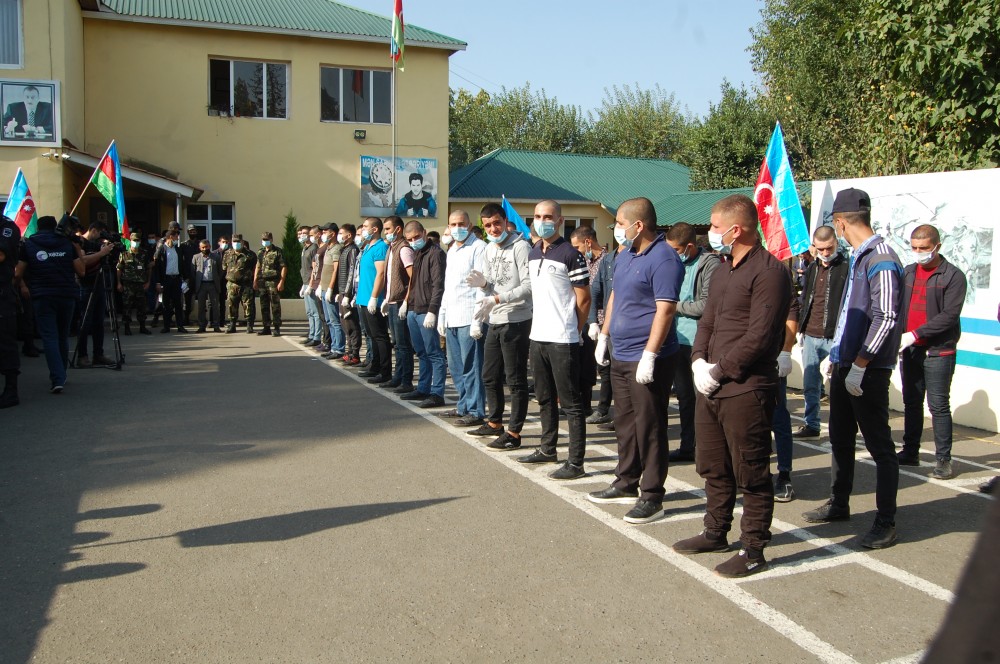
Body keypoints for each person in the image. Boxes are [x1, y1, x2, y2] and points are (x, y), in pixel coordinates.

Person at [672, 194, 791, 578]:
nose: (712, 233)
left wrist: (719, 371)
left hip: (746, 387)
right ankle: (715, 531)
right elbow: (707, 320)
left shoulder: (770, 272)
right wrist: (698, 362)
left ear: (736, 230)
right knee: (713, 466)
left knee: (751, 472)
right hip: (711, 385)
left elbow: (760, 336)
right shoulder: (722, 269)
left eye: (716, 227)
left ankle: (754, 549)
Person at [802, 188, 904, 550]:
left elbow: (887, 316)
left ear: (841, 223)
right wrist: (841, 357)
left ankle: (885, 521)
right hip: (847, 365)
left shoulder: (882, 258)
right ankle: (839, 502)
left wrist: (861, 362)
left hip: (869, 371)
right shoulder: (861, 257)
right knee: (840, 438)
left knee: (879, 446)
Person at [591, 197, 683, 524]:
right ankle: (626, 480)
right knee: (625, 421)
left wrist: (650, 354)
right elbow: (615, 294)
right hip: (621, 352)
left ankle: (653, 495)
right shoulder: (626, 254)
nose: (616, 228)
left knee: (651, 425)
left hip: (648, 357)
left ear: (638, 225)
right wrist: (604, 335)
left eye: (618, 222)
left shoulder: (664, 258)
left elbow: (666, 308)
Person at [517, 200, 591, 480]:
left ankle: (576, 462)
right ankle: (548, 448)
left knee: (571, 403)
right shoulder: (535, 252)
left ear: (560, 220)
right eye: (537, 216)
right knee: (544, 397)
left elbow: (584, 299)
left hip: (563, 339)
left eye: (548, 216)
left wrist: (575, 329)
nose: (542, 220)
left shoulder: (571, 254)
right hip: (538, 336)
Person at [896, 224, 967, 480]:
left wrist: (916, 333)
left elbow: (949, 316)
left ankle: (943, 460)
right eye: (914, 247)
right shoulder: (908, 272)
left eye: (923, 248)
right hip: (911, 350)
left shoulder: (953, 276)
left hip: (939, 351)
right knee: (911, 402)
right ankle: (910, 451)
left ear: (937, 246)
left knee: (938, 405)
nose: (918, 252)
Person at [465, 202, 532, 450]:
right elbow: (492, 285)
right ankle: (495, 422)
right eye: (488, 226)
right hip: (495, 317)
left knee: (515, 380)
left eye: (496, 223)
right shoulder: (490, 250)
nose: (493, 229)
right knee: (489, 375)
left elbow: (528, 287)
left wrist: (496, 298)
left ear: (505, 221)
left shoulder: (521, 247)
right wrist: (484, 286)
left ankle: (514, 433)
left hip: (516, 319)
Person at [664, 222, 721, 462]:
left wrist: (673, 306)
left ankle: (708, 450)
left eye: (676, 250)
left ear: (689, 246)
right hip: (677, 339)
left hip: (700, 342)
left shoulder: (711, 265)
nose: (672, 254)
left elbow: (707, 305)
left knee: (703, 398)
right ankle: (688, 446)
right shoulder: (671, 263)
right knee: (685, 397)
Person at [15, 215, 85, 393]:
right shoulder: (66, 243)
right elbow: (81, 271)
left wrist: (23, 286)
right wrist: (77, 251)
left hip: (42, 296)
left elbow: (18, 273)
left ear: (38, 228)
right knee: (63, 335)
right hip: (66, 294)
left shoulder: (28, 245)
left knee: (49, 337)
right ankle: (62, 373)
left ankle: (57, 377)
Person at [796, 226, 849, 438]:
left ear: (836, 243)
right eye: (821, 249)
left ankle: (841, 428)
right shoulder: (812, 268)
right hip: (810, 334)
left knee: (839, 387)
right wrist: (801, 327)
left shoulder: (847, 268)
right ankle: (812, 424)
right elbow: (805, 298)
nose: (825, 253)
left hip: (835, 337)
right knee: (810, 385)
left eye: (829, 248)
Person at [438, 210, 488, 427]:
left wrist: (478, 319)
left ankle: (476, 410)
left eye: (461, 224)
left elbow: (480, 286)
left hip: (469, 315)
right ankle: (463, 405)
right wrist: (442, 313)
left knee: (472, 366)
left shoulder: (478, 248)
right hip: (452, 316)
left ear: (469, 225)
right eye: (452, 224)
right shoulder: (452, 250)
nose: (457, 228)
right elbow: (449, 286)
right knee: (457, 366)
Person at [401, 220, 448, 408]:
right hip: (414, 308)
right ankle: (423, 387)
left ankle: (437, 392)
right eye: (409, 239)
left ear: (424, 233)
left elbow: (438, 284)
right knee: (421, 352)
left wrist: (432, 310)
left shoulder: (436, 254)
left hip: (427, 310)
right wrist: (406, 302)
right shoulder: (418, 253)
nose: (413, 241)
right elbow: (413, 282)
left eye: (416, 237)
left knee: (434, 353)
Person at [570, 226, 602, 418]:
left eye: (577, 246)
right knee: (578, 362)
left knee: (590, 365)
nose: (575, 251)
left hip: (596, 320)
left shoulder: (605, 260)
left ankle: (588, 405)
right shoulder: (580, 260)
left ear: (588, 242)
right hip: (579, 315)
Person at [355, 217, 392, 383]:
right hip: (363, 298)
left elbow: (381, 273)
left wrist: (374, 297)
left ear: (375, 229)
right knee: (371, 335)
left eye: (365, 227)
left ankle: (385, 372)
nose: (363, 230)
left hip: (373, 300)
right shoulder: (367, 247)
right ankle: (374, 366)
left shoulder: (380, 247)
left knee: (380, 336)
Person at [76, 221, 117, 366]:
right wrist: (101, 253)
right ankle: (82, 355)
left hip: (99, 284)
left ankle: (98, 354)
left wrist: (107, 251)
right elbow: (83, 261)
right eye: (100, 233)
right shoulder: (80, 242)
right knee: (85, 322)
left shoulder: (96, 244)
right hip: (86, 285)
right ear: (93, 230)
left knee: (99, 322)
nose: (100, 237)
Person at [381, 215, 414, 391]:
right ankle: (398, 376)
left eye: (387, 229)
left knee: (403, 344)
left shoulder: (404, 249)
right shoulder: (392, 248)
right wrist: (387, 298)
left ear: (398, 229)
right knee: (397, 343)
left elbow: (412, 277)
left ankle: (406, 381)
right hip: (393, 301)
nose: (385, 233)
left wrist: (406, 301)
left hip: (401, 301)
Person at [0, 215, 21, 407]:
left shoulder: (7, 228)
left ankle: (11, 390)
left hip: (2, 295)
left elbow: (2, 253)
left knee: (5, 344)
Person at [116, 232, 152, 335]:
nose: (136, 242)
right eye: (134, 240)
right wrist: (118, 283)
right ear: (130, 241)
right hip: (128, 285)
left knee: (142, 306)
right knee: (127, 307)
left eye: (138, 240)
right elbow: (119, 269)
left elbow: (149, 268)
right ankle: (127, 327)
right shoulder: (124, 254)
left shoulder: (144, 254)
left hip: (141, 284)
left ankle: (143, 327)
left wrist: (148, 282)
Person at [336, 224, 362, 364]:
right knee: (345, 324)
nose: (339, 235)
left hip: (348, 293)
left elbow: (352, 272)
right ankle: (349, 351)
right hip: (341, 292)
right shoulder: (344, 249)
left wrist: (347, 294)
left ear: (349, 235)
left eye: (341, 233)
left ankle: (355, 354)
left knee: (351, 324)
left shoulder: (352, 250)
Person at [154, 229, 189, 333]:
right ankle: (166, 326)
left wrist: (184, 278)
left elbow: (182, 265)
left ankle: (180, 326)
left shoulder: (178, 250)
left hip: (176, 279)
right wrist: (158, 282)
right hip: (166, 280)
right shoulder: (161, 249)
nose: (177, 239)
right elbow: (157, 267)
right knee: (166, 304)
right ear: (170, 237)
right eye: (176, 237)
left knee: (178, 304)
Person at [319, 223, 345, 360]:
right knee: (329, 320)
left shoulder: (336, 249)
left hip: (330, 290)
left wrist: (330, 287)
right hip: (323, 288)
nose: (323, 233)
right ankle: (333, 346)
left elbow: (336, 269)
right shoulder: (328, 248)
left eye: (325, 231)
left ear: (333, 233)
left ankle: (339, 348)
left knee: (335, 321)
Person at [253, 231, 286, 336]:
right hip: (262, 281)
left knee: (275, 305)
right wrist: (255, 280)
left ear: (271, 240)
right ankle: (266, 327)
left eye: (267, 239)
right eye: (263, 239)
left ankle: (276, 327)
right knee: (264, 305)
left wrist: (281, 281)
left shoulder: (277, 251)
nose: (265, 241)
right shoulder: (260, 252)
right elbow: (258, 266)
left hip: (273, 281)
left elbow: (283, 267)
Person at [222, 234, 256, 334]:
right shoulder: (227, 254)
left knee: (248, 305)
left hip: (246, 284)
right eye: (234, 241)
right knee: (232, 305)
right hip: (232, 284)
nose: (236, 244)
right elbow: (224, 267)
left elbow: (255, 268)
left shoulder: (250, 254)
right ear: (232, 242)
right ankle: (232, 325)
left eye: (238, 242)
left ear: (242, 242)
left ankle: (249, 325)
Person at [192, 239, 223, 332]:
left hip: (213, 284)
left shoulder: (216, 257)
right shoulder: (196, 257)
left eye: (207, 247)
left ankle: (216, 325)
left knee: (214, 306)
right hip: (201, 285)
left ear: (210, 247)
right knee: (201, 306)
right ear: (200, 248)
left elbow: (220, 271)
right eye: (203, 247)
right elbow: (193, 271)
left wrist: (217, 280)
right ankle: (201, 326)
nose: (205, 249)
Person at [298, 225, 321, 346]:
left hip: (311, 283)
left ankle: (316, 336)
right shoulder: (305, 248)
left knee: (315, 312)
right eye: (300, 233)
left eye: (305, 233)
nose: (302, 235)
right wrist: (304, 284)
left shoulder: (313, 248)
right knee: (309, 312)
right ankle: (311, 334)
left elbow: (314, 268)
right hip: (306, 282)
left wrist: (311, 284)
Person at [181, 226, 201, 325]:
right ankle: (186, 318)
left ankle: (202, 320)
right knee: (187, 299)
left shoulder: (200, 244)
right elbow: (182, 261)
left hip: (200, 275)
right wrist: (185, 276)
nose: (193, 233)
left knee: (201, 297)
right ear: (188, 232)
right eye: (191, 231)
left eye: (194, 231)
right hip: (188, 276)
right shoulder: (184, 245)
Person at [211, 235, 229, 328]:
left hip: (225, 281)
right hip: (215, 281)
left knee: (222, 302)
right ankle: (212, 321)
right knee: (213, 302)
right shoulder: (213, 254)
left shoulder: (230, 253)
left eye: (226, 242)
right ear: (219, 242)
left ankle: (222, 321)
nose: (225, 244)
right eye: (223, 242)